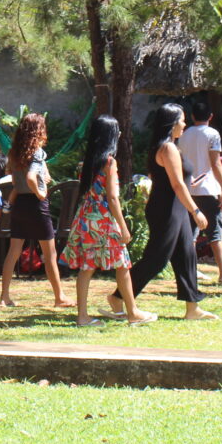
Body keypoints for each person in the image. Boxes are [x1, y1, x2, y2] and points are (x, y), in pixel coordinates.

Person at [124, 103, 216, 320]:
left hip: (175, 208)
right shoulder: (167, 148)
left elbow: (172, 180)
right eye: (182, 120)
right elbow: (176, 185)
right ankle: (119, 296)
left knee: (186, 255)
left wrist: (189, 185)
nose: (184, 124)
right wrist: (196, 211)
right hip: (166, 210)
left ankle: (193, 307)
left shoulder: (167, 146)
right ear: (172, 123)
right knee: (157, 258)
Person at [62, 116, 150, 326]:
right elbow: (112, 197)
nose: (119, 134)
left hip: (86, 218)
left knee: (87, 267)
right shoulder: (109, 162)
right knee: (122, 264)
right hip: (104, 219)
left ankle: (83, 316)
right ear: (110, 135)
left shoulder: (86, 163)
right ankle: (132, 312)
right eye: (117, 131)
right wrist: (123, 226)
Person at [0, 114, 67, 307]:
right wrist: (40, 193)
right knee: (50, 254)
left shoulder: (14, 153)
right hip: (36, 205)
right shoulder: (37, 152)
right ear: (39, 131)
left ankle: (4, 297)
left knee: (13, 251)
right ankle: (59, 297)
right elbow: (30, 177)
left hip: (20, 203)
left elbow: (15, 180)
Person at [178, 99, 222, 285]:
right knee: (215, 231)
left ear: (192, 116)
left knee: (191, 232)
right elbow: (216, 163)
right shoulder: (212, 134)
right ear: (211, 116)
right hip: (208, 188)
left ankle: (192, 270)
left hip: (189, 189)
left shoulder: (184, 135)